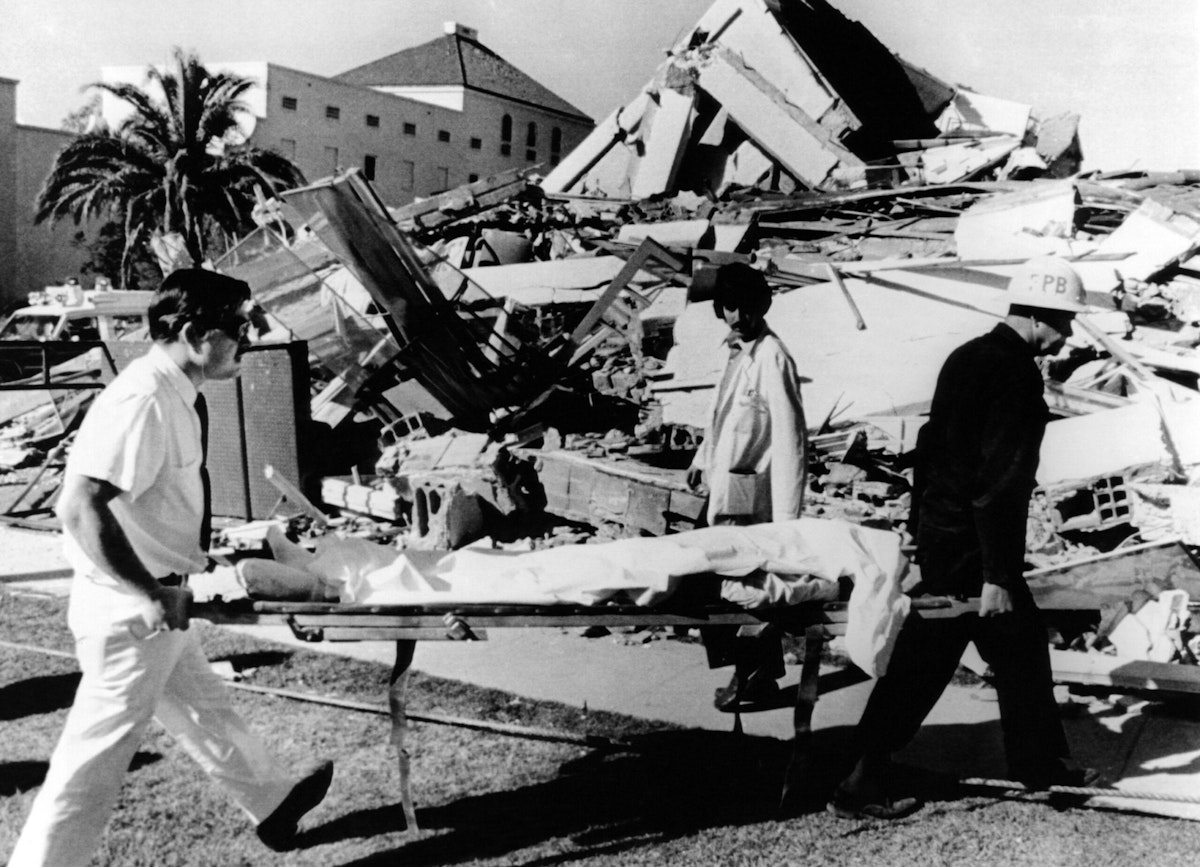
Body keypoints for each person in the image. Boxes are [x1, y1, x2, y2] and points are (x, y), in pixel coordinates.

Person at [9, 269, 333, 866]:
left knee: (201, 704)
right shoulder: (144, 399)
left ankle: (274, 802)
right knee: (94, 761)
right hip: (131, 608)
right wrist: (150, 591)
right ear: (191, 332)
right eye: (239, 326)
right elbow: (79, 506)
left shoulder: (175, 392)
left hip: (155, 599)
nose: (251, 335)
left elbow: (150, 500)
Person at [828, 256, 1099, 821]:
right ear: (1037, 313)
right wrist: (998, 575)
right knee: (926, 662)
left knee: (1021, 652)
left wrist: (917, 526)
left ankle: (1041, 765)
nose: (1068, 333)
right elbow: (1000, 483)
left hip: (945, 536)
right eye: (1064, 320)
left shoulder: (965, 357)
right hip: (975, 552)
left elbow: (927, 449)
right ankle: (862, 779)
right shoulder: (1015, 374)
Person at [686, 262, 807, 710]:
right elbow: (723, 417)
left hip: (753, 496)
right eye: (729, 307)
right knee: (723, 578)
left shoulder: (774, 357)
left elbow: (791, 439)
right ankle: (759, 674)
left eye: (745, 307)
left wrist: (787, 520)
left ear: (762, 305)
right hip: (728, 485)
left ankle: (751, 675)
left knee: (731, 583)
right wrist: (702, 459)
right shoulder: (736, 350)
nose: (737, 316)